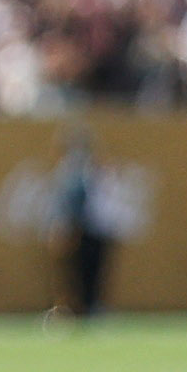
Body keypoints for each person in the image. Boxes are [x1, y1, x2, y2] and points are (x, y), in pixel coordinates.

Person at [51, 127, 112, 317]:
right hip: (82, 228)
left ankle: (90, 305)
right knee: (78, 272)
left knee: (93, 270)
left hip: (95, 227)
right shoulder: (71, 170)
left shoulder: (93, 169)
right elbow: (69, 202)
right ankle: (79, 306)